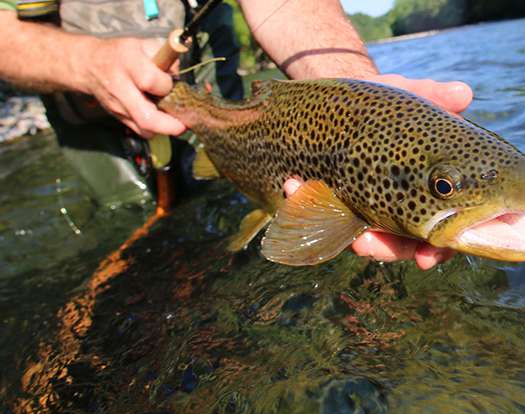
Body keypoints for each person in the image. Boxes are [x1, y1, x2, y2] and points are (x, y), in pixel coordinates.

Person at [0, 0, 468, 269]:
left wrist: (358, 95)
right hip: (88, 105)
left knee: (235, 222)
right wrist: (86, 64)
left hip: (221, 101)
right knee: (135, 236)